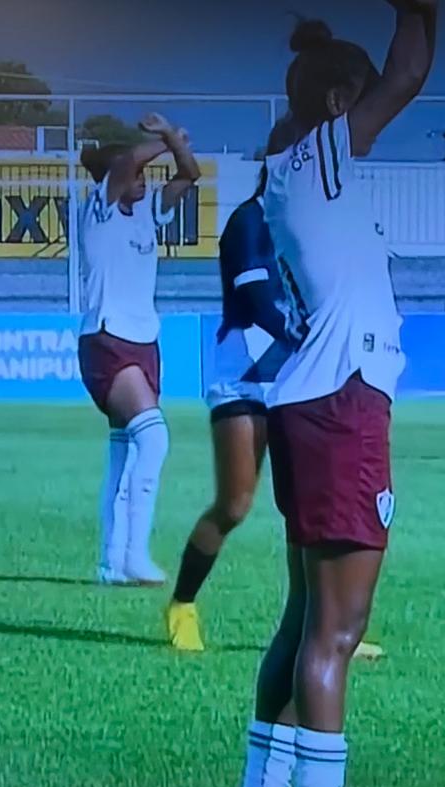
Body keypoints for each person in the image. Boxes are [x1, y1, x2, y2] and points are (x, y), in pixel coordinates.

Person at [232, 3, 436, 787]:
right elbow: (412, 70)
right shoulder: (323, 156)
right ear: (331, 106)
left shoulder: (289, 167)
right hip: (346, 404)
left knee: (302, 620)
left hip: (309, 405)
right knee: (338, 633)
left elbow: (384, 81)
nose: (370, 115)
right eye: (354, 100)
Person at [165, 142, 383, 662]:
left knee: (306, 508)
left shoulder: (311, 231)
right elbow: (258, 300)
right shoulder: (248, 219)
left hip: (297, 380)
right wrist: (309, 338)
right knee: (235, 503)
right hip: (244, 376)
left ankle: (323, 628)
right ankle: (182, 604)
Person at [77, 113, 200, 587]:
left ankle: (111, 561)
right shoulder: (100, 209)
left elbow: (189, 176)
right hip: (108, 340)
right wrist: (167, 137)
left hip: (143, 340)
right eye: (139, 178)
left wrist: (175, 146)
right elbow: (129, 159)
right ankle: (134, 554)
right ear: (115, 180)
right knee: (154, 439)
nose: (144, 183)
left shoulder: (148, 213)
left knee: (124, 454)